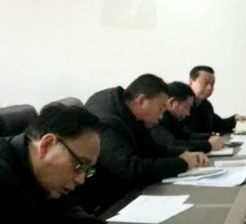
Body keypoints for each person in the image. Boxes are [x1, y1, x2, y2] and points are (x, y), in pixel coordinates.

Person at [74, 74, 207, 213]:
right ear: (142, 100)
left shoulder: (131, 114)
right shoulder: (106, 121)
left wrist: (183, 154)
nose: (161, 116)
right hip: (102, 203)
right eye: (160, 108)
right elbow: (129, 169)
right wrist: (182, 163)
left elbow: (152, 149)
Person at [150, 81, 224, 154]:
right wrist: (208, 145)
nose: (188, 113)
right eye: (187, 107)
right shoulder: (156, 118)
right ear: (172, 103)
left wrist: (210, 137)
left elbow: (185, 135)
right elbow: (171, 144)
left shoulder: (172, 119)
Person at [184, 65, 246, 136]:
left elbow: (219, 125)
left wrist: (234, 120)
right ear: (191, 82)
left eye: (212, 84)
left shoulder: (206, 105)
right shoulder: (181, 104)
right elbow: (182, 136)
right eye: (205, 83)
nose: (209, 88)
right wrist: (208, 140)